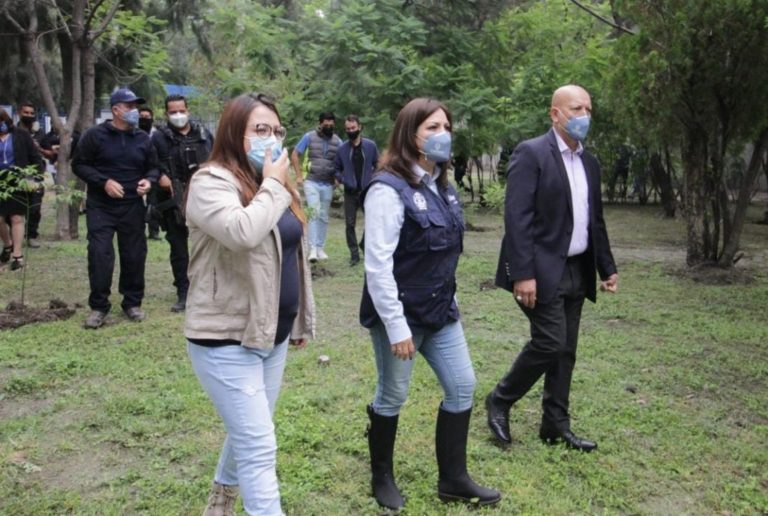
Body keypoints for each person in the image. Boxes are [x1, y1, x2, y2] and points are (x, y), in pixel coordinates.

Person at [359, 98, 501, 510]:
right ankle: (381, 476)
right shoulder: (388, 189)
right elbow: (377, 266)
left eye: (446, 127)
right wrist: (396, 326)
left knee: (462, 386)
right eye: (432, 128)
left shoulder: (443, 185)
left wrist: (451, 299)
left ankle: (453, 480)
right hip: (400, 315)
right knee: (393, 395)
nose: (443, 135)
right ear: (411, 135)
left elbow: (445, 255)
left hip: (441, 312)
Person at [185, 93, 315, 516]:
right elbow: (242, 232)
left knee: (249, 430)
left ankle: (220, 503)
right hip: (225, 337)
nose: (271, 138)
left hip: (271, 333)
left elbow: (291, 252)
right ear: (232, 131)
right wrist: (275, 184)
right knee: (258, 443)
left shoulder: (271, 182)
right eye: (260, 129)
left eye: (277, 130)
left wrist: (297, 319)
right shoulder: (210, 182)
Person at [485, 84, 619, 452]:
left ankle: (555, 425)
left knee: (566, 350)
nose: (584, 116)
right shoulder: (532, 153)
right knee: (550, 341)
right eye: (576, 108)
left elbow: (595, 220)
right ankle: (500, 399)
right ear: (555, 114)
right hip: (540, 269)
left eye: (588, 109)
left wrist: (606, 267)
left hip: (577, 268)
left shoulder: (590, 163)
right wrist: (522, 273)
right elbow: (517, 218)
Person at [72, 87, 159, 328]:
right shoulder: (94, 136)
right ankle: (99, 307)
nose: (135, 111)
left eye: (136, 107)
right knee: (100, 254)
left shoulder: (143, 138)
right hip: (101, 206)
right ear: (115, 110)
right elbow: (79, 165)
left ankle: (132, 303)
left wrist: (148, 181)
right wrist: (104, 182)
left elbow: (154, 167)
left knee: (134, 254)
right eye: (130, 106)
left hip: (132, 205)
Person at [150, 94, 214, 311]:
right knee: (178, 248)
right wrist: (160, 175)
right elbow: (149, 162)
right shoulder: (159, 138)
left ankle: (207, 289)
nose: (178, 115)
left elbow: (218, 157)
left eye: (181, 110)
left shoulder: (203, 134)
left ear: (188, 110)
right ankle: (184, 292)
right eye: (173, 112)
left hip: (204, 196)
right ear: (166, 113)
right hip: (173, 198)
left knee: (207, 246)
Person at [291, 111, 342, 262]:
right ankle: (312, 248)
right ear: (320, 124)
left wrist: (339, 177)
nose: (329, 127)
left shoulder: (337, 141)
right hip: (311, 181)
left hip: (328, 183)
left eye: (331, 125)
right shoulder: (309, 137)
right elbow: (295, 154)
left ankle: (320, 248)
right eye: (326, 125)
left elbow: (343, 159)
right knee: (314, 212)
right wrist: (299, 175)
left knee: (324, 216)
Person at [0, 108, 44, 271]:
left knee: (16, 218)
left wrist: (35, 178)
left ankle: (17, 256)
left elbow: (35, 157)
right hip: (0, 182)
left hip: (18, 181)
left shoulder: (21, 135)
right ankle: (7, 244)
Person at [333, 114, 379, 266]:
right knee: (350, 224)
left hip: (367, 191)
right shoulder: (342, 149)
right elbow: (336, 168)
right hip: (350, 192)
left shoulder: (371, 146)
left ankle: (364, 245)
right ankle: (354, 255)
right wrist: (343, 179)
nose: (351, 131)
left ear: (359, 127)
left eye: (353, 128)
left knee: (372, 222)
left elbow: (378, 164)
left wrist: (374, 178)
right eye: (348, 129)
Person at [16, 102, 46, 249]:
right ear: (19, 113)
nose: (29, 115)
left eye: (31, 113)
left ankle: (31, 236)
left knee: (34, 207)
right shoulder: (12, 131)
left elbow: (48, 152)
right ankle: (15, 235)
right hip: (17, 174)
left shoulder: (39, 133)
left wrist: (38, 147)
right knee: (16, 208)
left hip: (35, 174)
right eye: (26, 112)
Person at [138, 107, 161, 240]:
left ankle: (154, 232)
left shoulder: (157, 135)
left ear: (152, 118)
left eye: (147, 117)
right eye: (141, 117)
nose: (144, 119)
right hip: (136, 172)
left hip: (153, 173)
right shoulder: (132, 133)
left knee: (153, 203)